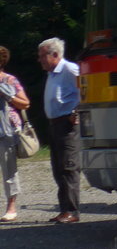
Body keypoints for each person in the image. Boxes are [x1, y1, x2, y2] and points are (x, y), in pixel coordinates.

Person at [37, 37, 81, 224]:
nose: (39, 60)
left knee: (68, 168)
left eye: (42, 56)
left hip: (67, 125)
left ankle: (72, 211)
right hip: (55, 124)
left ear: (54, 55)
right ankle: (64, 210)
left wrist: (77, 112)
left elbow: (86, 89)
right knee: (58, 169)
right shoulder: (52, 73)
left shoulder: (69, 69)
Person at [0, 45, 31, 222]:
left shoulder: (10, 81)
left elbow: (25, 104)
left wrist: (7, 96)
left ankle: (11, 207)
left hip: (6, 131)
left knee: (9, 170)